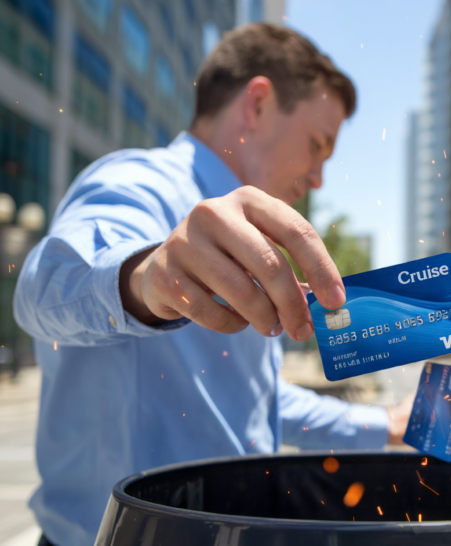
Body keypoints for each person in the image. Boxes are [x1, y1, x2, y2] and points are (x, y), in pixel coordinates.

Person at [13, 24, 411, 546]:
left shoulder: (248, 243)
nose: (318, 178)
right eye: (317, 145)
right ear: (258, 104)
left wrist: (385, 426)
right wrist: (147, 277)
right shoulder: (139, 183)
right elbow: (42, 289)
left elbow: (254, 403)